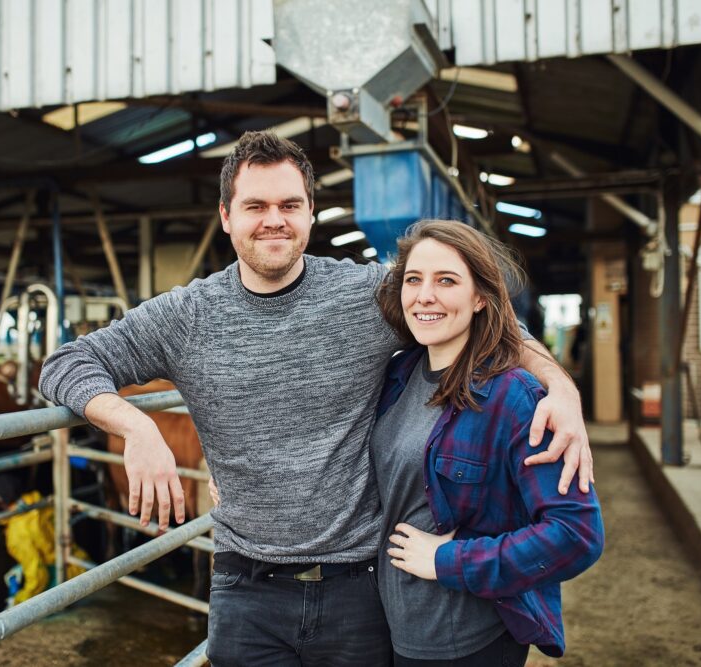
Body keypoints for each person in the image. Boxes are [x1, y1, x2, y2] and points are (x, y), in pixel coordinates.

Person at [38, 131, 593, 665]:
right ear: (227, 216)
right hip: (246, 586)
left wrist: (562, 388)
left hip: (358, 587)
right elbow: (65, 363)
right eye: (255, 206)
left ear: (310, 213)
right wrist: (136, 427)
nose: (274, 220)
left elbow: (489, 324)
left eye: (290, 204)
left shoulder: (368, 295)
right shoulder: (187, 316)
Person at [373, 220, 604, 665]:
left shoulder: (513, 396)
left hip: (467, 638)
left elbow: (577, 534)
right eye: (414, 279)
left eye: (447, 281)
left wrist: (450, 561)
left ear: (481, 297)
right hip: (392, 625)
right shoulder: (398, 377)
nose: (425, 295)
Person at [0, 474, 87, 606]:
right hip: (81, 566)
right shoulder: (43, 503)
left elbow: (39, 577)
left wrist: (17, 602)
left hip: (66, 582)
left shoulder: (16, 532)